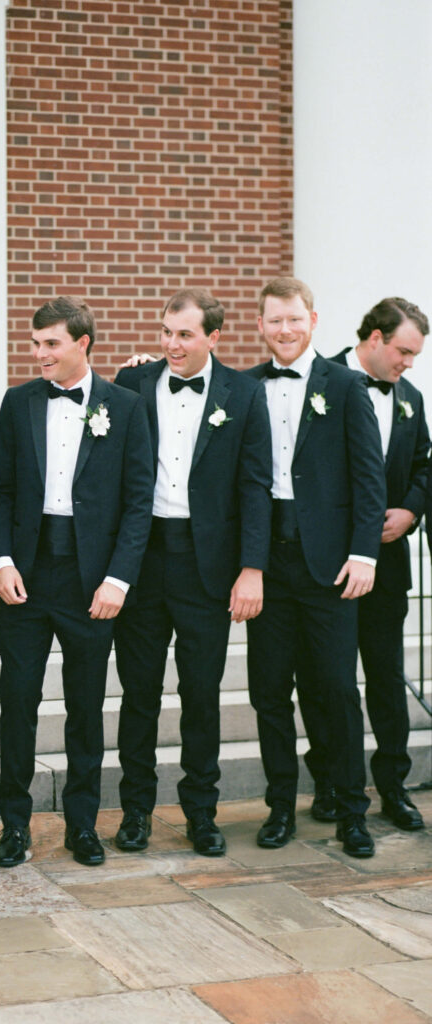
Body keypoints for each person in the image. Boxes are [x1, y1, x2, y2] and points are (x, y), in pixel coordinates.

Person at [0, 297, 154, 867]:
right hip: (26, 580)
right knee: (17, 705)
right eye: (35, 343)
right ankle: (14, 826)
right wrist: (1, 561)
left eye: (50, 344)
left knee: (86, 707)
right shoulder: (18, 402)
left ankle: (83, 826)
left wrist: (118, 581)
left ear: (82, 343)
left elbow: (138, 504)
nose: (39, 354)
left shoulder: (125, 408)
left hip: (91, 584)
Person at [112, 288, 272, 856]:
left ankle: (202, 814)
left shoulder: (244, 394)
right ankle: (135, 813)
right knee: (139, 695)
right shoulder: (132, 384)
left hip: (209, 569)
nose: (172, 344)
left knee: (201, 696)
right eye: (165, 332)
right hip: (143, 558)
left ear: (213, 337)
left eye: (184, 334)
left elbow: (256, 485)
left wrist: (252, 568)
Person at [245, 277, 386, 858]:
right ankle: (280, 806)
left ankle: (353, 810)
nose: (285, 330)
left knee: (334, 690)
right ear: (261, 325)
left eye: (294, 320)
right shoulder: (244, 388)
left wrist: (363, 553)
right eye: (274, 320)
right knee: (269, 692)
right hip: (266, 564)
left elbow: (369, 478)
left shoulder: (347, 387)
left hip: (329, 568)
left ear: (313, 320)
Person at [296, 297, 429, 831]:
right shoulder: (317, 381)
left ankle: (393, 786)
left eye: (414, 355)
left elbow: (424, 465)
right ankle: (328, 780)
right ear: (374, 338)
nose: (408, 363)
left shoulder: (411, 398)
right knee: (326, 678)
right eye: (403, 351)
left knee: (386, 676)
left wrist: (411, 510)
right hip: (325, 563)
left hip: (387, 565)